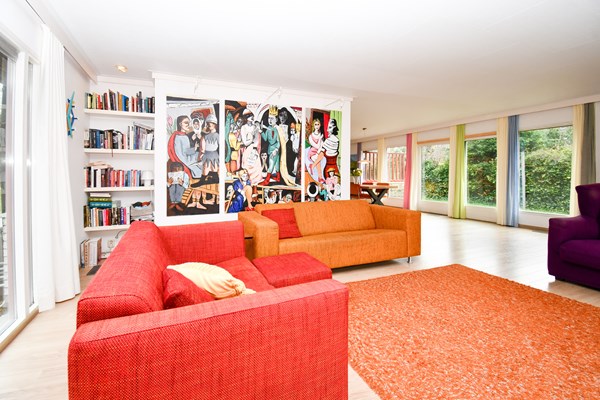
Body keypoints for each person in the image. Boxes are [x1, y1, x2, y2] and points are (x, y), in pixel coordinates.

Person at [260, 106, 281, 185]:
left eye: (272, 118)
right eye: (269, 118)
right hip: (270, 148)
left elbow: (278, 142)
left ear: (276, 119)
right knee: (276, 164)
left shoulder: (277, 129)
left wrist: (276, 149)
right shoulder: (268, 128)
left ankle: (267, 180)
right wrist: (261, 132)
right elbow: (265, 138)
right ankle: (278, 178)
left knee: (271, 164)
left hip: (275, 149)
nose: (270, 120)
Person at [307, 118, 324, 182]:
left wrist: (318, 152)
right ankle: (320, 177)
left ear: (320, 125)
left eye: (318, 124)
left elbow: (321, 145)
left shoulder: (321, 134)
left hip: (318, 151)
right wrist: (320, 139)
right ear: (313, 126)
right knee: (318, 161)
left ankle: (312, 166)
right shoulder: (311, 136)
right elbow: (316, 146)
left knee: (322, 154)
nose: (317, 126)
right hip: (312, 152)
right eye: (315, 124)